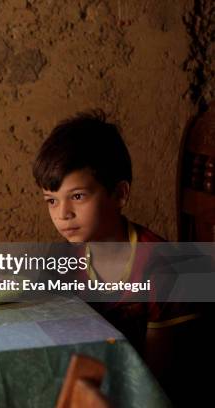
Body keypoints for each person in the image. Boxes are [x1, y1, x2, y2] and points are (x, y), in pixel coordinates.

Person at [31, 110, 203, 404]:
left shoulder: (163, 269)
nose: (62, 214)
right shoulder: (63, 256)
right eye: (51, 201)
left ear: (120, 194)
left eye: (78, 196)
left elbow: (158, 380)